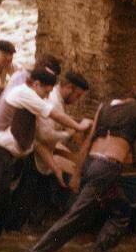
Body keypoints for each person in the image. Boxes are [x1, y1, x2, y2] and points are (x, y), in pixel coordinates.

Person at [0, 68, 90, 246]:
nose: (46, 96)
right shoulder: (24, 92)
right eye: (45, 91)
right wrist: (78, 127)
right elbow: (51, 120)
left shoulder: (30, 97)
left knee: (0, 208)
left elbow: (38, 136)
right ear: (36, 84)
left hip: (2, 155)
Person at [29, 94, 136, 252]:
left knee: (121, 211)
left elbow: (88, 141)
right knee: (75, 216)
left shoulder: (103, 108)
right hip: (107, 168)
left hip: (92, 164)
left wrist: (77, 175)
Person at [8, 71, 90, 229]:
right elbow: (45, 136)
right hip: (34, 156)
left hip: (42, 158)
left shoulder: (57, 101)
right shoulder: (53, 102)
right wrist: (71, 132)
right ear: (68, 87)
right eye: (77, 95)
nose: (77, 100)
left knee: (34, 201)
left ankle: (24, 233)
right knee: (24, 201)